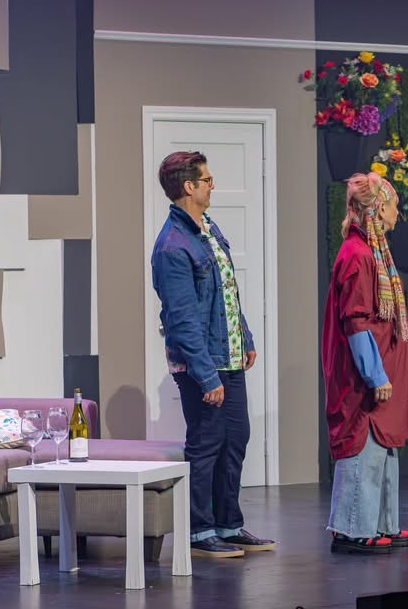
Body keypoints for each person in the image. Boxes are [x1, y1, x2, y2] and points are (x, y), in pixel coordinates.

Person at [151, 151, 276, 558]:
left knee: (235, 437)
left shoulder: (208, 229)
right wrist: (206, 376)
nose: (212, 184)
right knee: (206, 444)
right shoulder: (173, 245)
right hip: (202, 363)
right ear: (189, 186)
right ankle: (199, 532)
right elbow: (182, 319)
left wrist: (246, 336)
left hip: (229, 355)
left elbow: (226, 291)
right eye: (206, 179)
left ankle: (228, 524)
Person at [321, 171, 408, 555]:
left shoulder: (373, 251)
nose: (398, 212)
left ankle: (381, 524)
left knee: (383, 447)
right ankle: (352, 529)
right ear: (379, 208)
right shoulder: (358, 255)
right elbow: (356, 321)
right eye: (394, 205)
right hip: (365, 375)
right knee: (362, 445)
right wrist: (375, 374)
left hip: (382, 369)